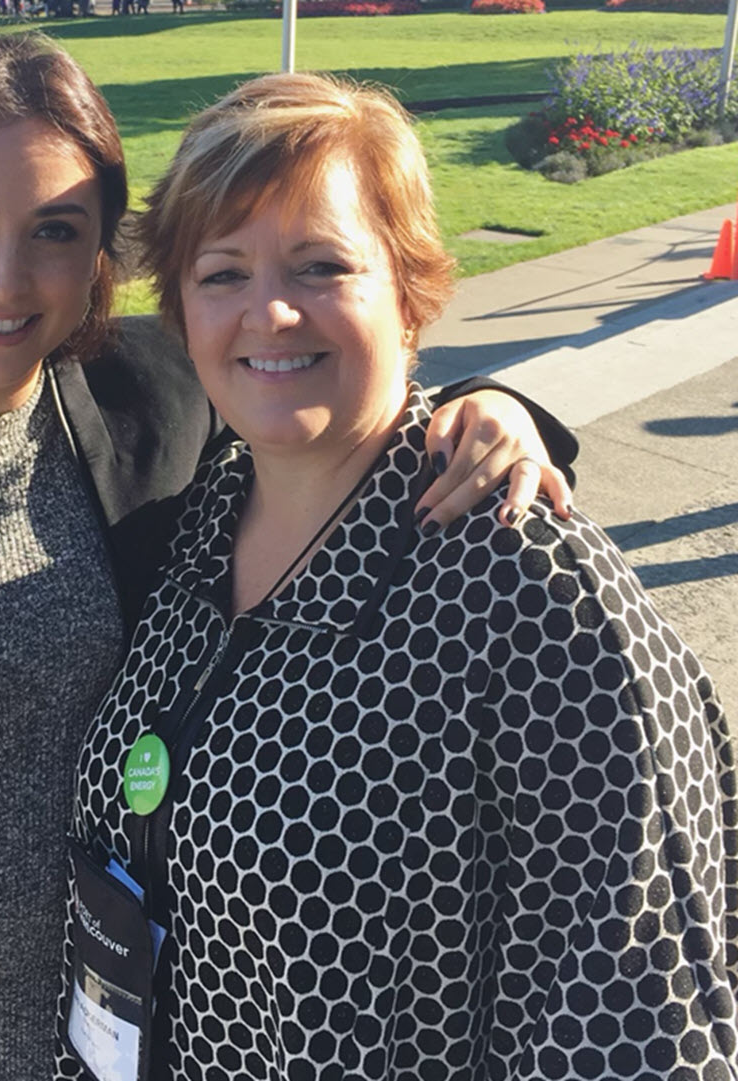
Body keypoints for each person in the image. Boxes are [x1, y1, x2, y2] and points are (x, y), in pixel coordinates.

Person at [0, 36, 574, 1081]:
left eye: (55, 232)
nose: (7, 275)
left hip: (131, 1026)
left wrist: (498, 409)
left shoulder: (161, 394)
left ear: (98, 257)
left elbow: (322, 396)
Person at [55, 72, 738, 1081]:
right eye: (223, 273)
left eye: (322, 265)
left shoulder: (527, 585)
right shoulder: (203, 524)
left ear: (411, 289)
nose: (269, 313)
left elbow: (639, 1022)